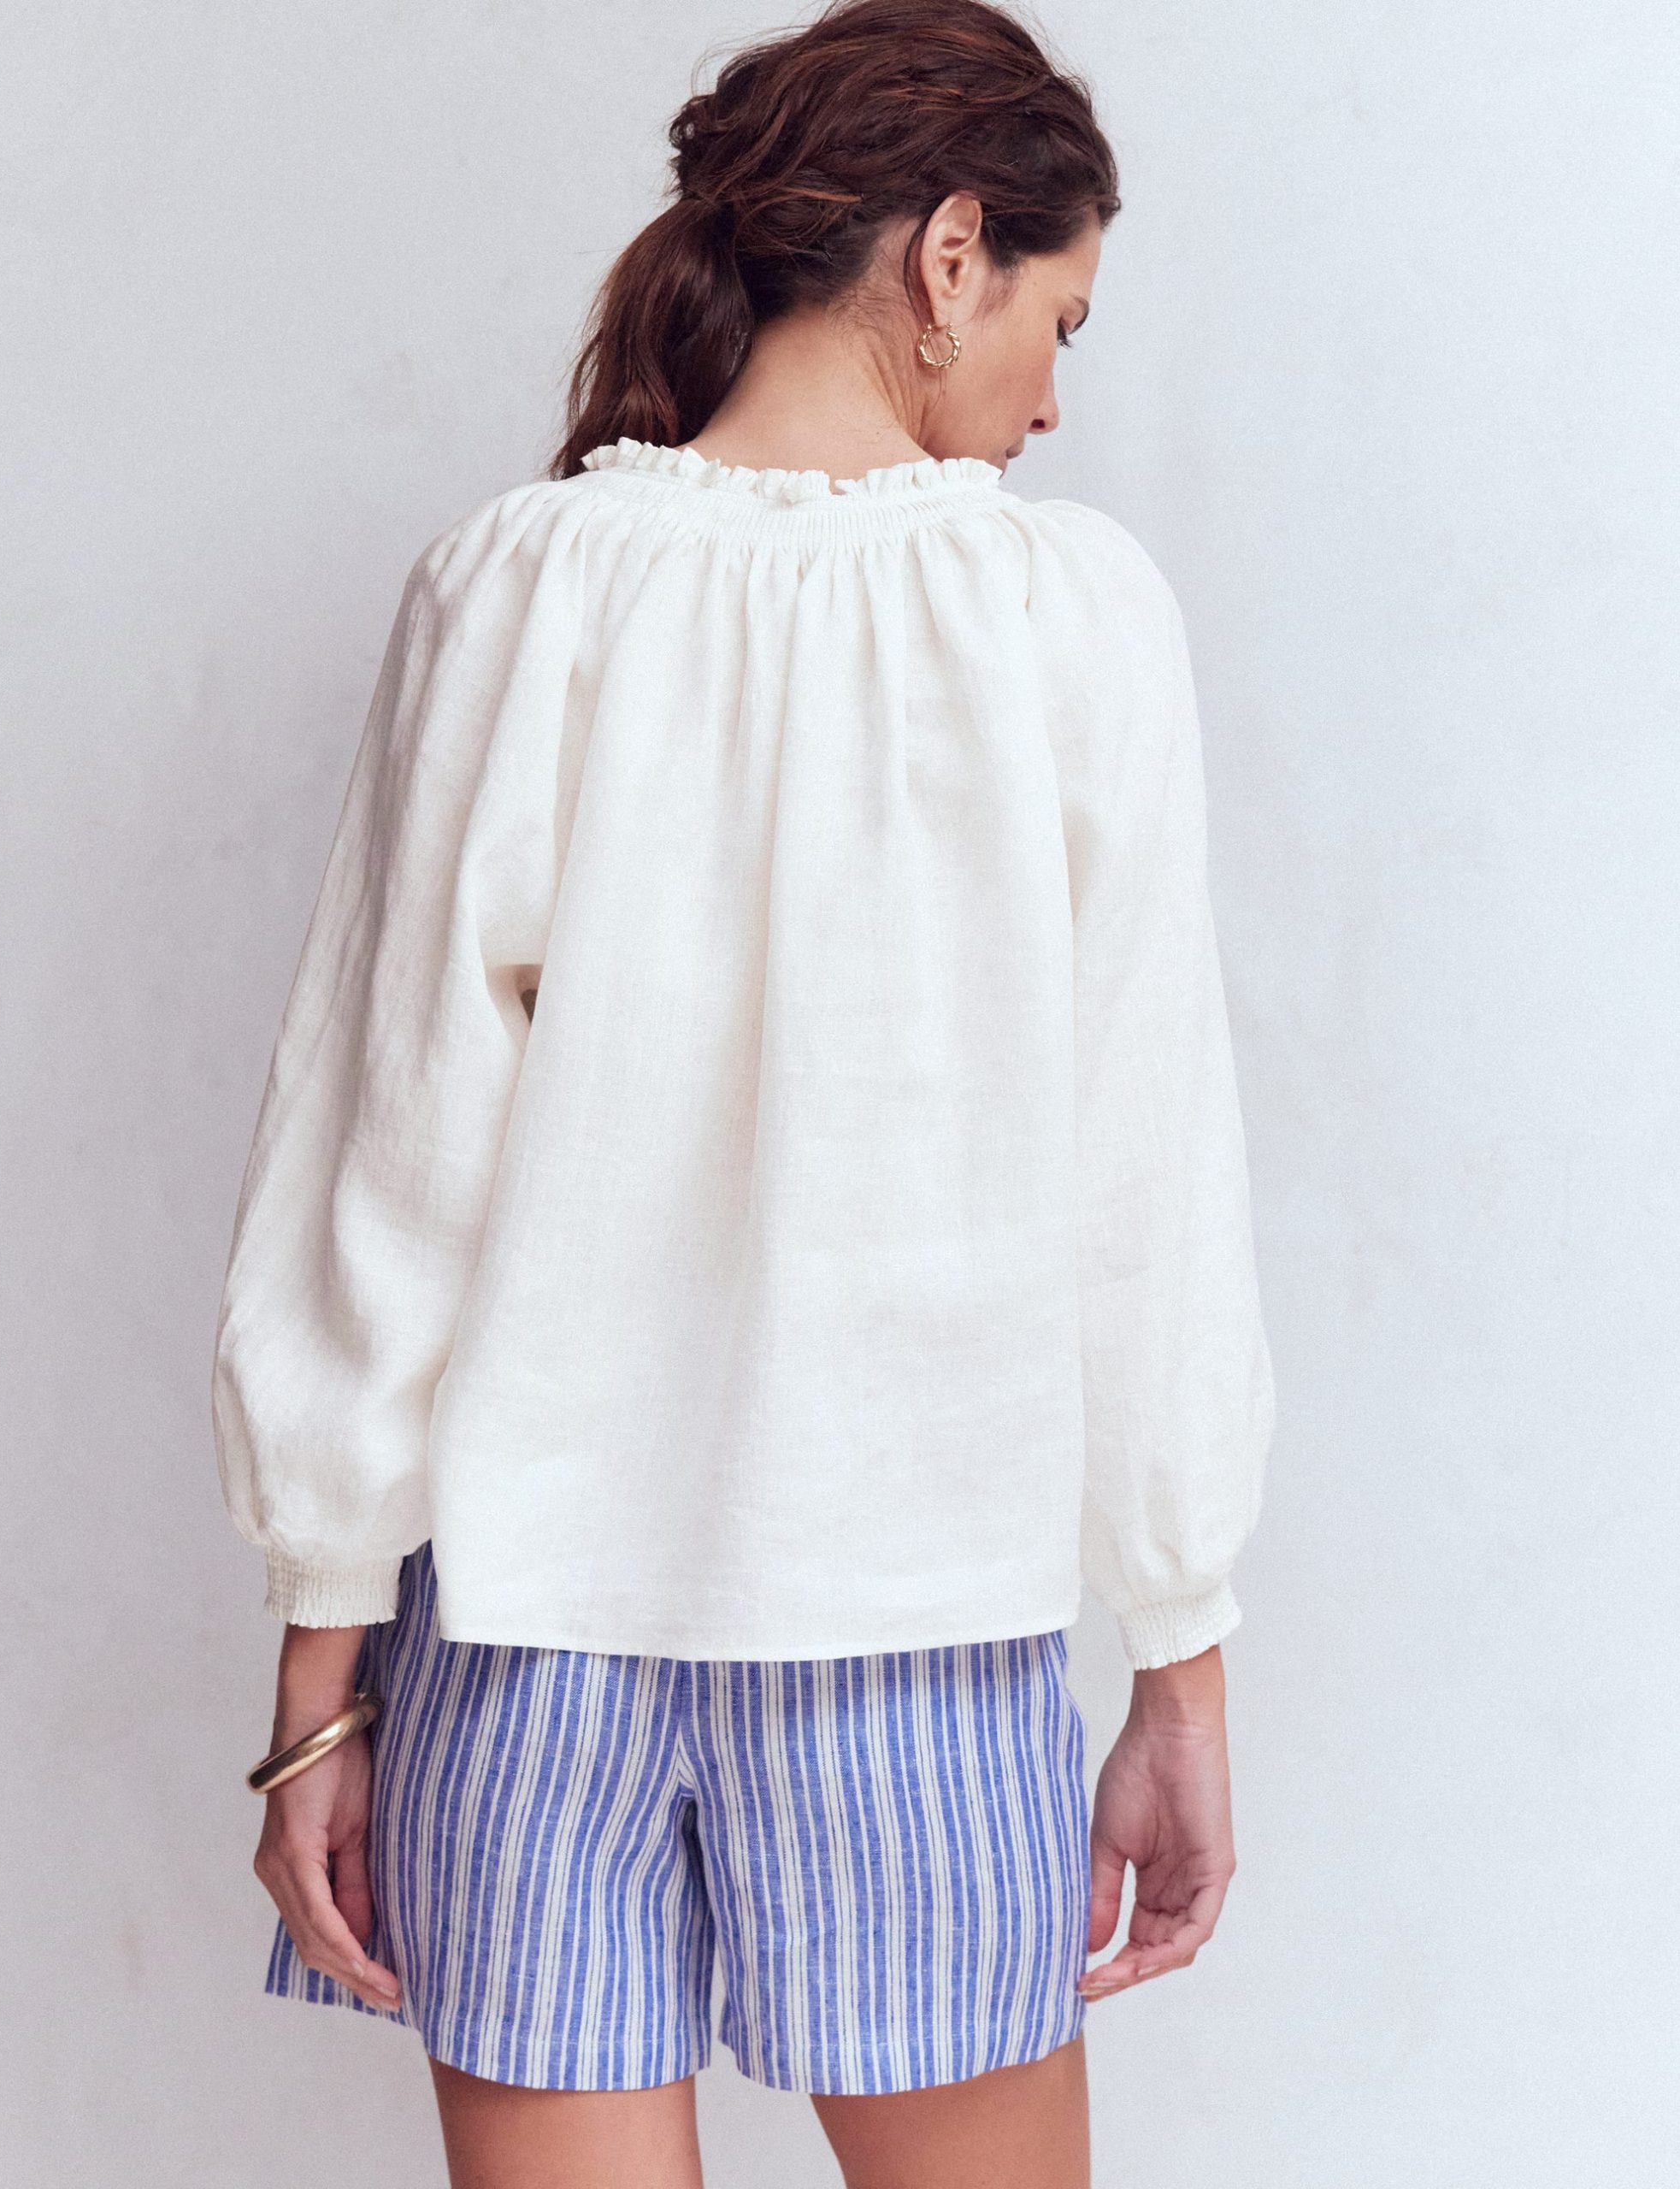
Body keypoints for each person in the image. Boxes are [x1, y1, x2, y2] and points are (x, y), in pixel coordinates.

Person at [210, 2, 1276, 2181]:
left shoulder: (516, 590)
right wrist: (1178, 1654)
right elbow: (1146, 1180)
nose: (1052, 398)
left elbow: (387, 1164)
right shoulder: (1066, 619)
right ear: (953, 253)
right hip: (918, 1636)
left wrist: (321, 1676)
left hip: (527, 1642)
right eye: (1059, 319)